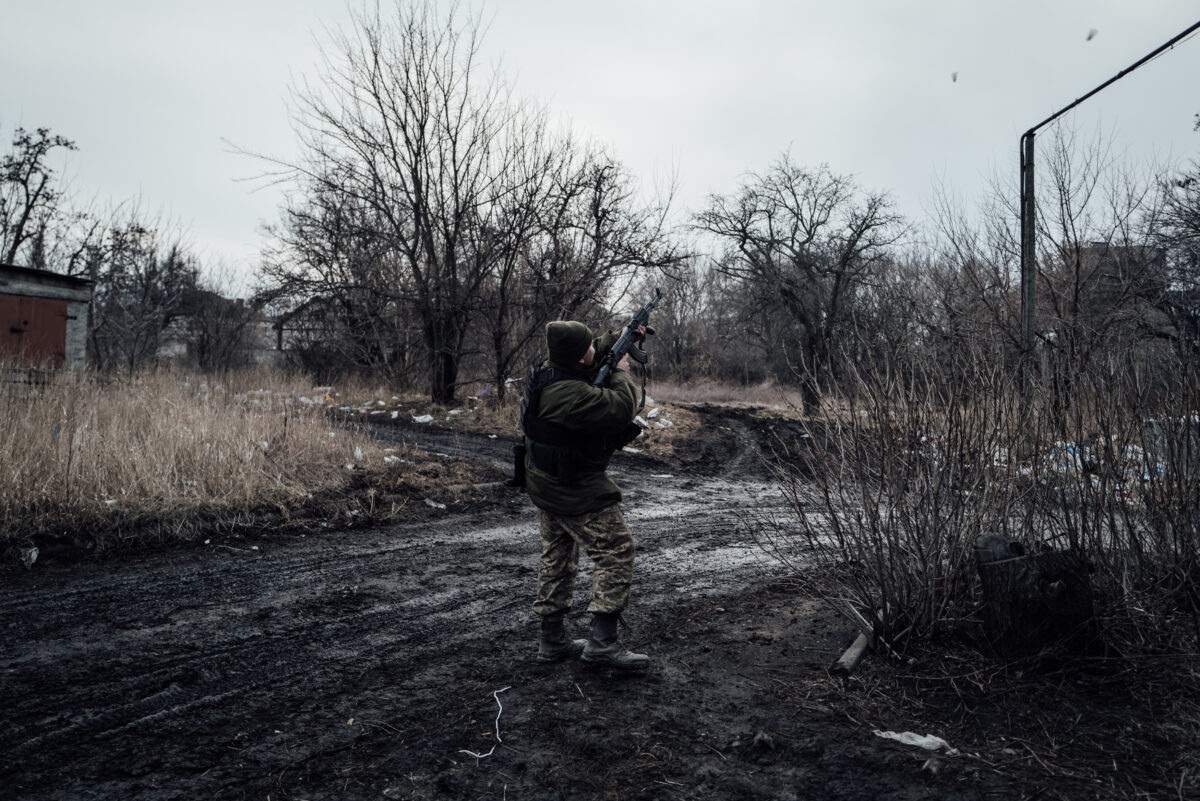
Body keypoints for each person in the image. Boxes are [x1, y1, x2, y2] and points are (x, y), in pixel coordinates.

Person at [520, 319, 650, 671]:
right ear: (579, 358)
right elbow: (621, 407)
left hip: (545, 482)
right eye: (589, 346)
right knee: (617, 550)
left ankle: (552, 641)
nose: (595, 348)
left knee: (557, 555)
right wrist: (622, 371)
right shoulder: (568, 395)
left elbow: (590, 350)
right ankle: (603, 643)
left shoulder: (551, 368)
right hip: (570, 488)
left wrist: (622, 336)